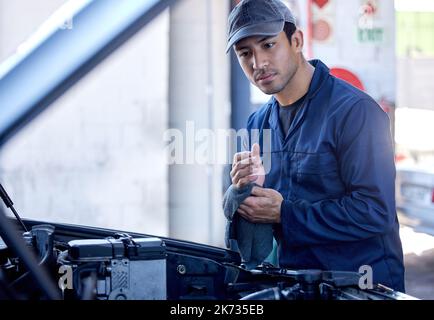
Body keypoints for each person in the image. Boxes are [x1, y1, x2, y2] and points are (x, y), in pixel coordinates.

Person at [225, 0, 405, 291]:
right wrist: (243, 194)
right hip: (294, 285)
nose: (258, 63)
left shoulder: (355, 112)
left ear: (296, 40)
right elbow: (256, 238)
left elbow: (375, 212)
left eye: (268, 45)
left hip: (362, 288)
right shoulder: (257, 125)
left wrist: (285, 213)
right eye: (245, 53)